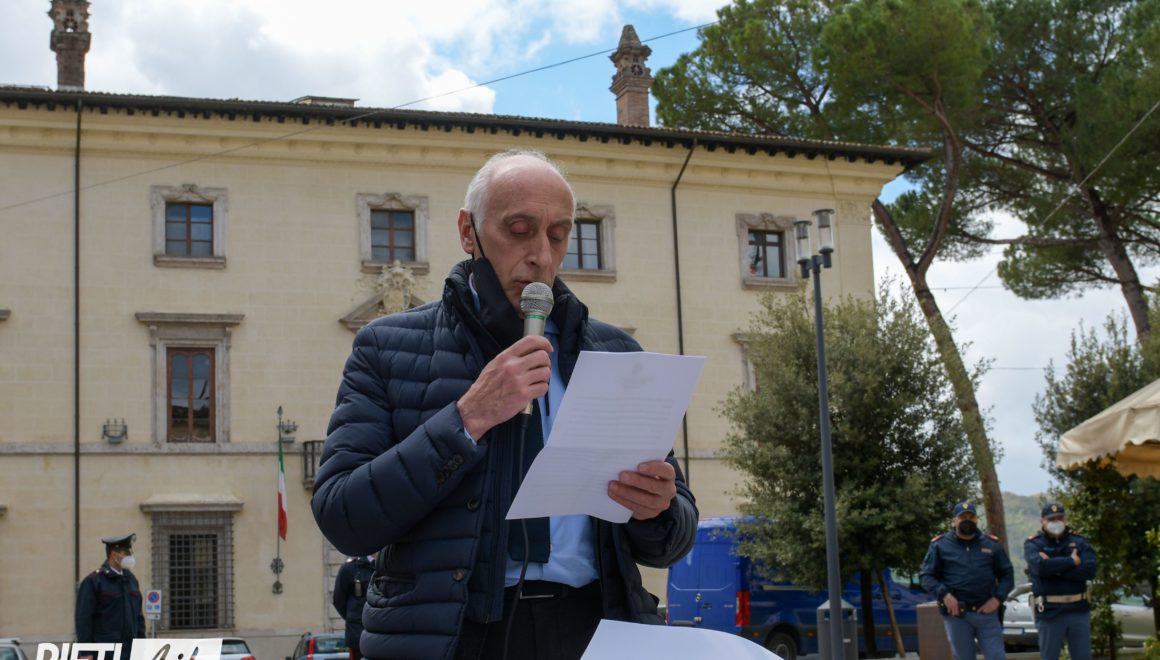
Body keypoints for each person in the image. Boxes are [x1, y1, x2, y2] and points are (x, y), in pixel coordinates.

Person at [312, 148, 698, 660]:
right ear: (468, 232)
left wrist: (658, 509)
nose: (541, 255)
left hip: (592, 629)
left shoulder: (615, 353)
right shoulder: (385, 348)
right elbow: (343, 517)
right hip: (455, 638)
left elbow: (673, 540)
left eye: (558, 235)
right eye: (519, 230)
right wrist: (468, 418)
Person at [921, 501, 1014, 660]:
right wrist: (944, 595)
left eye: (971, 517)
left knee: (997, 656)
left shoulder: (991, 544)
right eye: (963, 517)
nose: (967, 521)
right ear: (954, 521)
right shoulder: (940, 545)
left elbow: (1007, 575)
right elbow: (926, 576)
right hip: (957, 616)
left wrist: (998, 599)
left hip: (988, 614)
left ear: (976, 519)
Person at [1025, 502, 1097, 660]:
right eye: (1051, 519)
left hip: (1078, 610)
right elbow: (1039, 568)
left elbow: (1089, 571)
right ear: (1042, 521)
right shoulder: (1034, 544)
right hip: (1050, 612)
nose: (1056, 522)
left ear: (1065, 519)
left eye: (1059, 518)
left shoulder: (1080, 542)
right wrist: (1071, 562)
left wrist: (1052, 567)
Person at [75, 533, 145, 660]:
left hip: (130, 651)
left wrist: (142, 647)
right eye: (126, 553)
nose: (130, 557)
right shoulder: (94, 581)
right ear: (114, 554)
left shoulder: (131, 580)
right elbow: (84, 620)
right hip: (105, 652)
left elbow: (139, 618)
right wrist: (85, 652)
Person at [333, 555, 375, 660]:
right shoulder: (350, 569)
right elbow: (339, 600)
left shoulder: (388, 566)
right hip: (358, 633)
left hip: (384, 632)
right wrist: (354, 617)